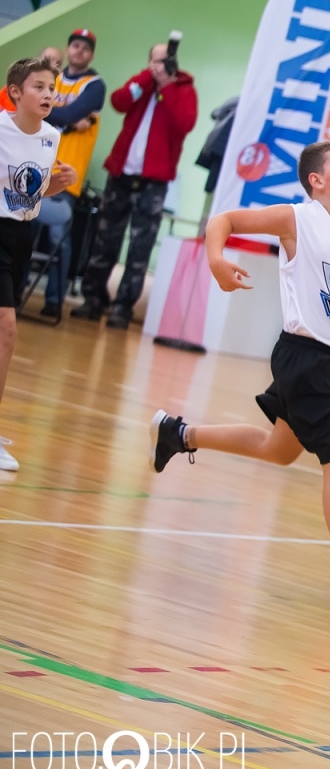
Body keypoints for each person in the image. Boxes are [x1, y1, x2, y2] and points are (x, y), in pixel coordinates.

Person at [148, 141, 330, 615]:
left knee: (277, 449)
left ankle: (178, 433)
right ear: (316, 181)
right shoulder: (298, 218)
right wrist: (217, 260)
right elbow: (225, 222)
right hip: (306, 358)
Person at [73, 40, 197, 329]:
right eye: (154, 60)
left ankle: (123, 306)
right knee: (106, 239)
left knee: (140, 247)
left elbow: (184, 124)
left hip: (153, 181)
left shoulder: (184, 90)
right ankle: (93, 298)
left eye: (163, 61)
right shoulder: (140, 85)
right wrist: (145, 79)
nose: (158, 66)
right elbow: (118, 102)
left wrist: (167, 84)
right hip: (122, 174)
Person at [0, 59, 76, 473]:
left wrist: (56, 185)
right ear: (15, 92)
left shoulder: (51, 136)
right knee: (6, 330)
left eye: (53, 87)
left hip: (22, 239)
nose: (49, 94)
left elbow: (31, 190)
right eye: (40, 87)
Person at [33, 30, 103, 321]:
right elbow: (53, 113)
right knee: (25, 232)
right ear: (68, 49)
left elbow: (52, 112)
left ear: (91, 54)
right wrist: (70, 120)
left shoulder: (95, 85)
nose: (79, 52)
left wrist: (55, 113)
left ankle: (54, 301)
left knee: (58, 237)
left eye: (86, 49)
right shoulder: (54, 79)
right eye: (75, 46)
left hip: (65, 174)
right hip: (35, 166)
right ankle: (11, 295)